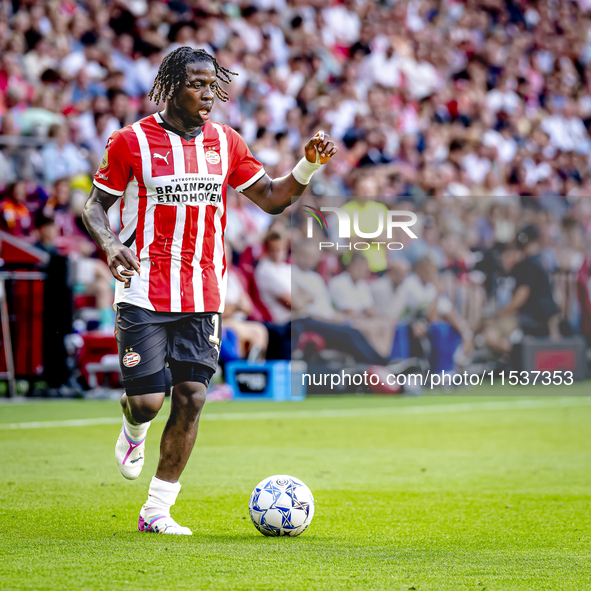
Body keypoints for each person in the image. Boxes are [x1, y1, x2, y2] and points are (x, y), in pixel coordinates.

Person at [82, 47, 338, 536]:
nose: (209, 94)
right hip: (144, 287)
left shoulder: (226, 142)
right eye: (198, 84)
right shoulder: (130, 141)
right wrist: (113, 245)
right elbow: (95, 207)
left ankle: (156, 511)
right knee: (147, 402)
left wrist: (305, 168)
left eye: (213, 85)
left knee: (193, 396)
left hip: (204, 290)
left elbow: (271, 199)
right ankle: (133, 428)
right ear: (171, 86)